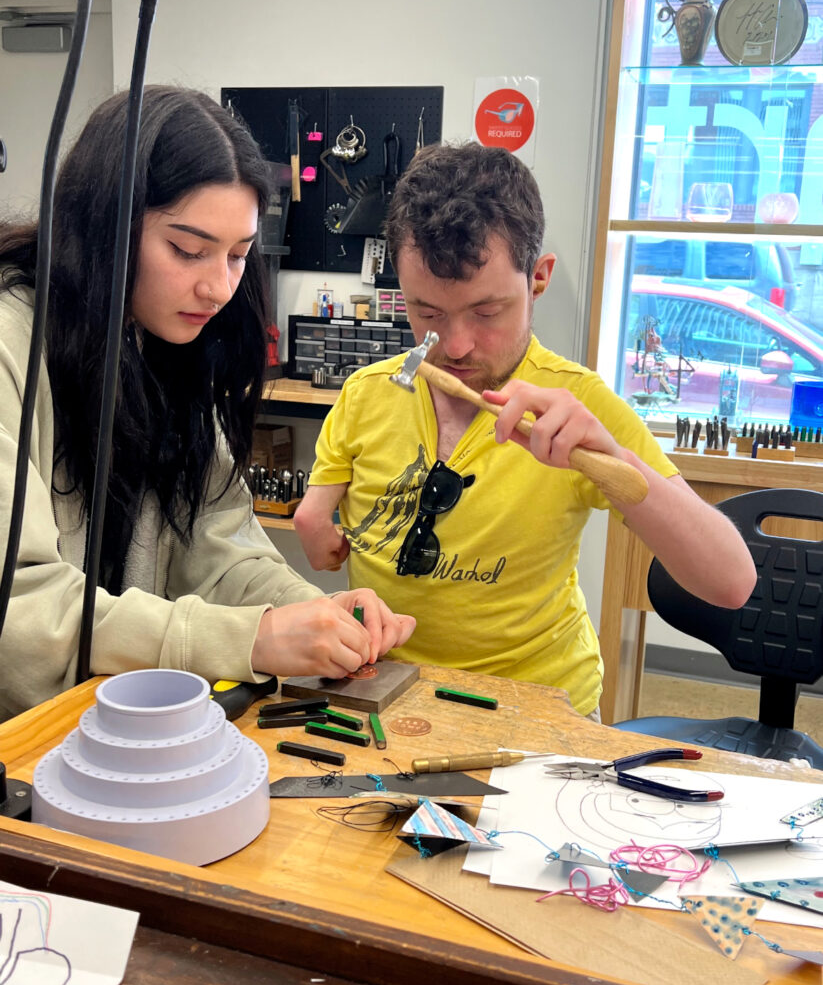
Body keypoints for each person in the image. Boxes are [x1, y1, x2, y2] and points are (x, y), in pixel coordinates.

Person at [294, 142, 755, 719]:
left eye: (486, 312)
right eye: (427, 313)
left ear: (538, 278)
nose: (455, 346)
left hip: (537, 709)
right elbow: (318, 516)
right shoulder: (368, 392)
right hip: (387, 694)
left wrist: (613, 459)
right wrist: (316, 518)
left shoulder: (578, 405)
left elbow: (729, 583)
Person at [0, 86, 414, 721]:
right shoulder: (12, 349)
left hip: (113, 729)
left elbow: (218, 544)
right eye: (189, 251)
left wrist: (310, 611)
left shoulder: (162, 339)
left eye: (239, 255)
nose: (219, 287)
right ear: (104, 226)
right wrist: (252, 639)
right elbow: (21, 614)